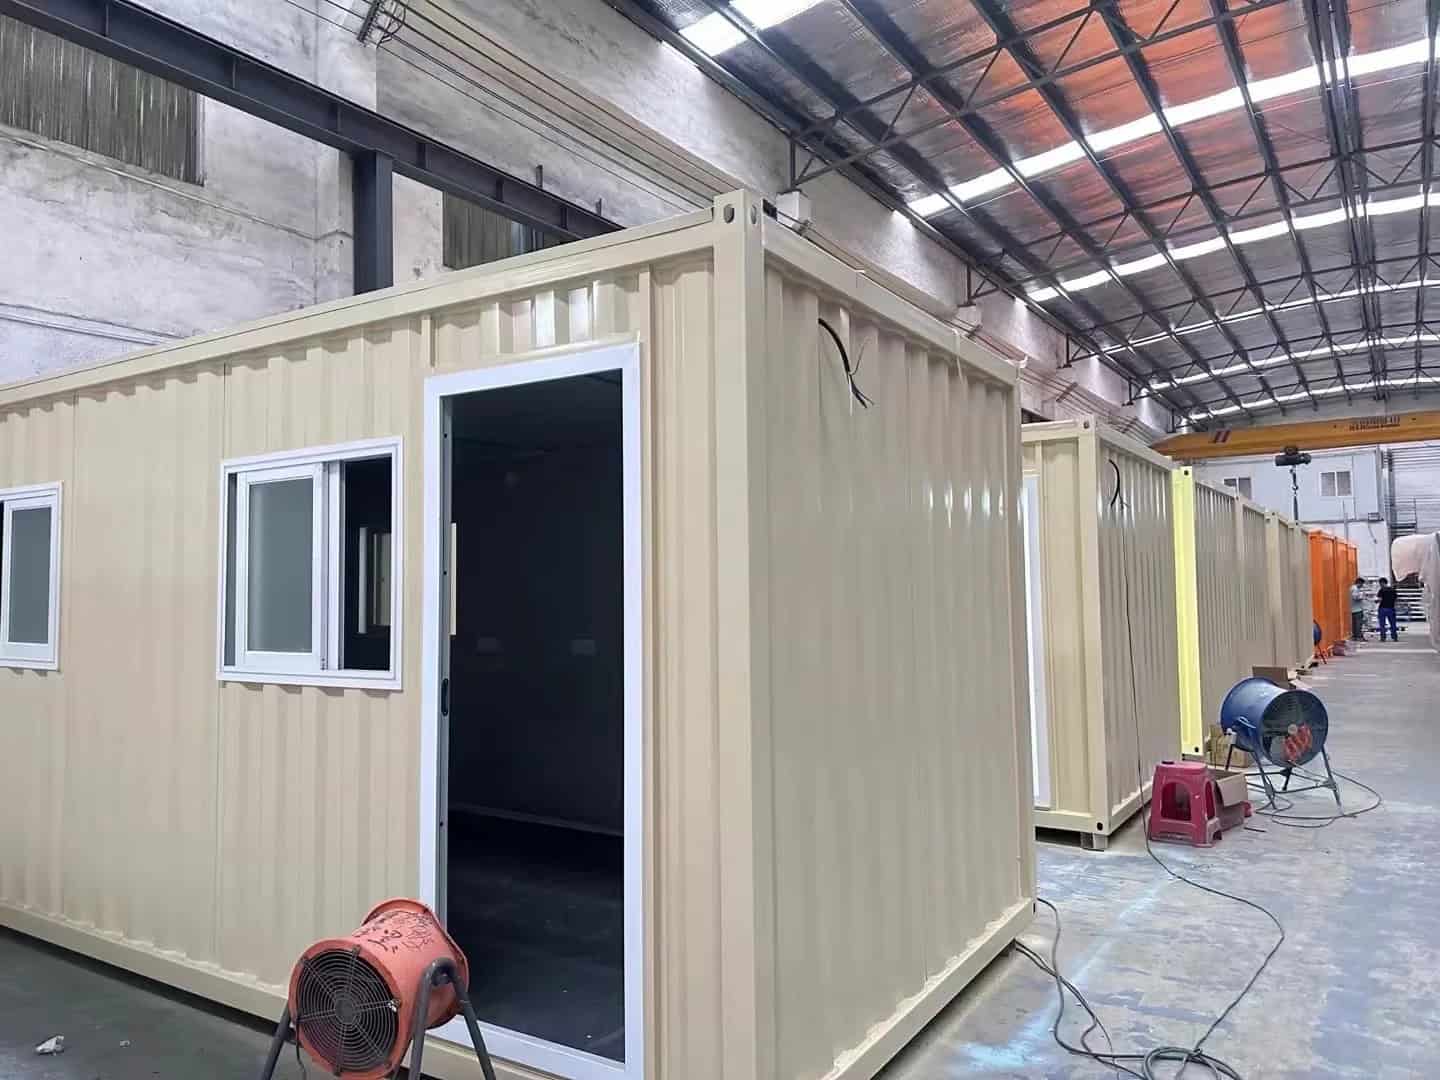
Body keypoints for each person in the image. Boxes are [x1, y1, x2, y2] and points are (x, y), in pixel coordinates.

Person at [1377, 577, 1399, 642]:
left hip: (1382, 609)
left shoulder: (1381, 590)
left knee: (1382, 624)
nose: (1380, 585)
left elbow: (1379, 599)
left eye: (1380, 583)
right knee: (1393, 623)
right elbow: (1396, 599)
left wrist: (1376, 601)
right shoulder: (1393, 590)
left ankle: (1383, 637)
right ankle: (1394, 637)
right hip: (1391, 608)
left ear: (1382, 583)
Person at [1350, 577, 1366, 641]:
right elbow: (1355, 597)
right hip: (1357, 609)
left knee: (1354, 623)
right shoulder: (1355, 589)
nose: (1362, 586)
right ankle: (1358, 636)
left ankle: (1355, 636)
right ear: (1359, 583)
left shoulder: (1351, 588)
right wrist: (1362, 595)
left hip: (1353, 608)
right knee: (1358, 624)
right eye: (1362, 584)